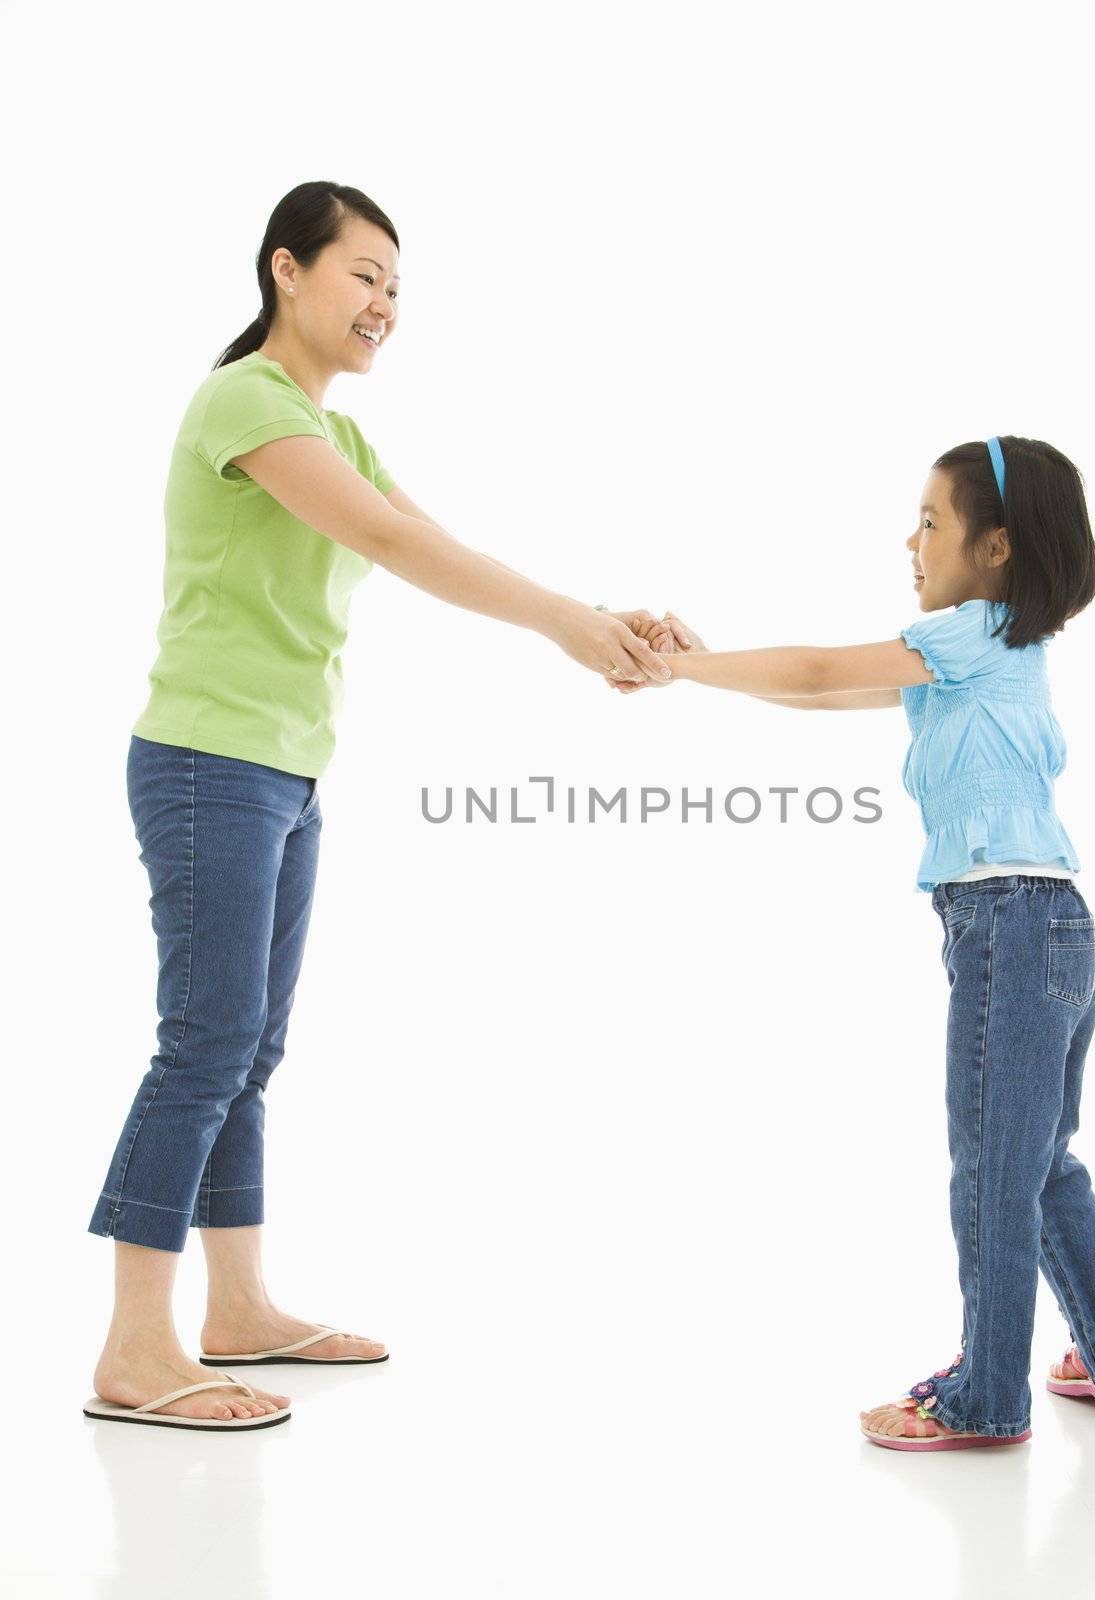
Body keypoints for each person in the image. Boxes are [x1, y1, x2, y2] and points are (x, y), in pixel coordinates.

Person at [84, 181, 675, 1432]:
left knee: (246, 1050)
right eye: (363, 275)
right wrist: (568, 630)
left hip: (281, 772)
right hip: (206, 760)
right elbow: (396, 550)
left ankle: (235, 1309)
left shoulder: (334, 431)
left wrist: (595, 615)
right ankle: (136, 1348)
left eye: (397, 287)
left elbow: (433, 534)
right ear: (286, 271)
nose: (384, 305)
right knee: (201, 1045)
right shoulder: (244, 399)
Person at [617, 435, 1095, 1452]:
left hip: (1006, 921)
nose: (907, 540)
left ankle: (986, 1393)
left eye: (928, 521)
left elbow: (825, 663)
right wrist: (693, 668)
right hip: (1049, 924)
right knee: (1036, 1162)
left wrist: (679, 664)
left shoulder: (968, 629)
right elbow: (822, 688)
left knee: (992, 1169)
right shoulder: (992, 651)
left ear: (993, 547)